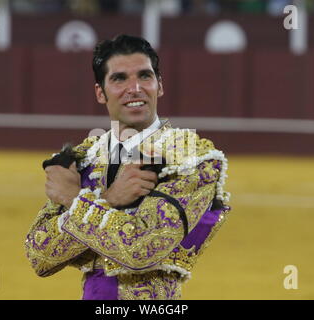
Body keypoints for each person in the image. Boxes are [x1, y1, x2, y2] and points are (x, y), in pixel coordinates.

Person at [24, 34, 231, 300]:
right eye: (119, 78)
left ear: (160, 86)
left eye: (145, 76)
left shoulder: (192, 157)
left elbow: (141, 249)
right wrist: (109, 199)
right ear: (101, 92)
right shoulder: (83, 159)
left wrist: (75, 199)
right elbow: (40, 256)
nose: (135, 88)